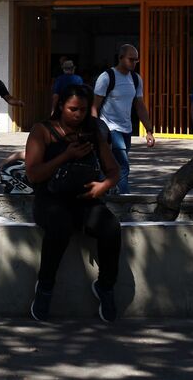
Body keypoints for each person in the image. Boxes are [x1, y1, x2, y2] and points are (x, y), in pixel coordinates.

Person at [25, 83, 122, 323]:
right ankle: (45, 287)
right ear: (60, 106)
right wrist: (65, 156)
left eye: (82, 109)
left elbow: (114, 171)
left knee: (111, 228)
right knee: (60, 226)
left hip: (84, 200)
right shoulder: (42, 131)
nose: (78, 115)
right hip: (50, 200)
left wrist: (103, 186)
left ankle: (105, 286)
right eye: (72, 109)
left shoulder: (92, 133)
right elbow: (33, 174)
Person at [92, 44, 155, 194]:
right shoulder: (107, 77)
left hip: (126, 129)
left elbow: (139, 105)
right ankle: (123, 199)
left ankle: (107, 193)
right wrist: (94, 129)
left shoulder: (135, 79)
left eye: (136, 60)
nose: (134, 63)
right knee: (123, 165)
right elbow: (94, 106)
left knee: (110, 165)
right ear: (120, 58)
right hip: (110, 128)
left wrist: (149, 130)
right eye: (131, 59)